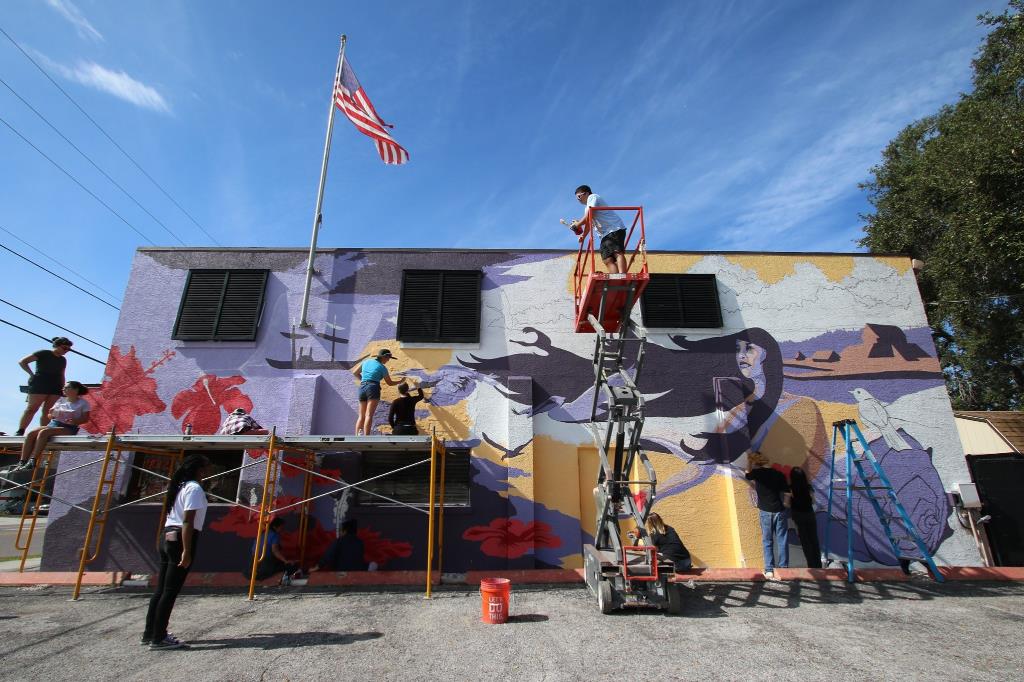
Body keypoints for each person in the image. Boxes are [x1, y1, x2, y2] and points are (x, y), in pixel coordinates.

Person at [142, 454, 210, 650]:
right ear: (200, 470)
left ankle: (150, 632)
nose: (209, 472)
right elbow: (188, 520)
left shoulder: (179, 487)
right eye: (207, 468)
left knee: (161, 588)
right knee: (170, 590)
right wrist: (187, 551)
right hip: (181, 538)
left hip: (168, 536)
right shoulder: (194, 488)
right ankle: (159, 637)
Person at [18, 381, 90, 469]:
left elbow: (85, 419)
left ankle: (33, 460)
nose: (63, 389)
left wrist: (75, 421)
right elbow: (50, 416)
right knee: (31, 433)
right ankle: (22, 462)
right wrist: (52, 414)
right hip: (54, 424)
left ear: (75, 390)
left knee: (44, 432)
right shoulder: (61, 400)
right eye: (64, 387)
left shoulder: (83, 403)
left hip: (68, 427)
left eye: (67, 387)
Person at [745, 451, 791, 579]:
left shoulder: (757, 474)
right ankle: (783, 569)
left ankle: (769, 570)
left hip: (765, 511)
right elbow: (787, 493)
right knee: (782, 540)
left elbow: (747, 474)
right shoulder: (779, 474)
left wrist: (749, 461)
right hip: (779, 510)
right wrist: (785, 505)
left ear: (756, 463)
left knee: (767, 541)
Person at [16, 337, 73, 436]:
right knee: (32, 408)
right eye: (64, 348)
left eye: (68, 349)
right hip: (40, 383)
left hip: (56, 385)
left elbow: (62, 374)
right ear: (57, 346)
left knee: (48, 411)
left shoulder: (63, 360)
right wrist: (31, 374)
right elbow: (23, 361)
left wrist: (63, 388)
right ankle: (20, 431)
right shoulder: (44, 353)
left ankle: (43, 433)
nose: (66, 351)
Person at [569, 185, 628, 274]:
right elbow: (589, 223)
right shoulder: (587, 208)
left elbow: (590, 214)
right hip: (605, 234)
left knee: (616, 252)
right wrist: (583, 236)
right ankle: (615, 278)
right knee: (607, 259)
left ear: (586, 193)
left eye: (579, 196)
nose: (578, 200)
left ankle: (622, 275)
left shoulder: (593, 197)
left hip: (614, 228)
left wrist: (578, 224)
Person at [352, 349, 402, 435]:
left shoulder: (366, 362)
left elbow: (355, 373)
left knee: (361, 415)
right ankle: (366, 437)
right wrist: (400, 381)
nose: (388, 360)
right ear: (384, 357)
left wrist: (364, 381)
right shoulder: (382, 367)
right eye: (388, 358)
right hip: (373, 388)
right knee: (369, 415)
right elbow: (389, 383)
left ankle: (357, 435)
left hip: (362, 387)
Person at [247, 517, 301, 583]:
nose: (282, 529)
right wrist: (285, 561)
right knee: (293, 565)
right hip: (267, 563)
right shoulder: (274, 535)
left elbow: (254, 550)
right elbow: (275, 551)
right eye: (281, 527)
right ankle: (285, 578)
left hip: (255, 562)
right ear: (275, 527)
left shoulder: (262, 534)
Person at [789, 467, 822, 569]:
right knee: (814, 540)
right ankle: (818, 565)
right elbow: (812, 501)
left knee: (805, 541)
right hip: (809, 514)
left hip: (798, 515)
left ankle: (811, 565)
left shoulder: (790, 488)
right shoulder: (808, 487)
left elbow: (789, 503)